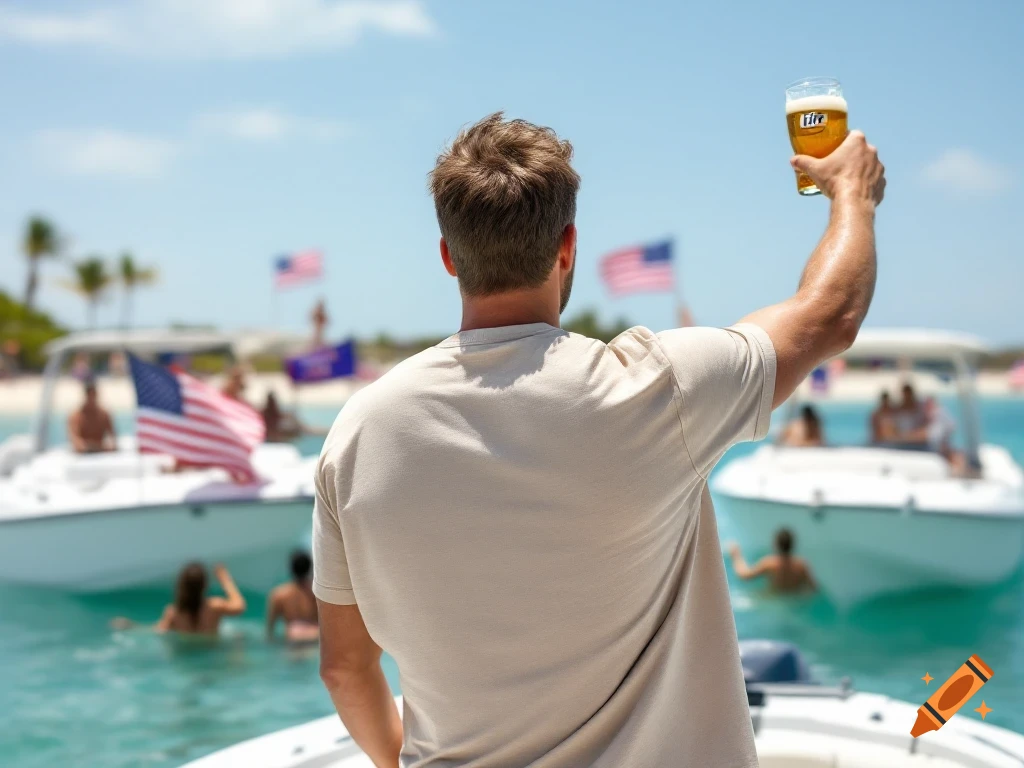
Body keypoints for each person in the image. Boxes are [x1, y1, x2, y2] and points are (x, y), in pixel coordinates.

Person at [313, 113, 884, 767]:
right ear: (567, 246)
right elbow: (829, 313)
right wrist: (852, 195)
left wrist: (396, 759)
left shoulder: (361, 432)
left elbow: (345, 668)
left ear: (448, 254)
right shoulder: (652, 389)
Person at [111, 562, 246, 636]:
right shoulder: (215, 606)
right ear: (205, 585)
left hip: (187, 655)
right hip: (212, 652)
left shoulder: (174, 612)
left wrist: (132, 626)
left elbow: (159, 630)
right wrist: (225, 579)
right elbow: (240, 606)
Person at [727, 530, 817, 594]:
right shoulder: (801, 565)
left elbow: (745, 576)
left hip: (773, 597)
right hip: (794, 599)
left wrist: (736, 555)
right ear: (792, 545)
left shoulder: (770, 564)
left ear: (776, 544)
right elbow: (813, 588)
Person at [267, 550, 320, 643]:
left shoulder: (279, 594)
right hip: (315, 635)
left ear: (291, 568)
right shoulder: (317, 592)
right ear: (309, 568)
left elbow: (271, 628)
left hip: (293, 637)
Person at [67, 380, 116, 453]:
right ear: (86, 396)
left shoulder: (104, 415)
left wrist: (108, 446)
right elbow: (75, 440)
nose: (92, 399)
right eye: (90, 396)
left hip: (101, 454)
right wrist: (90, 447)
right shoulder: (76, 416)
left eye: (94, 396)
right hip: (83, 455)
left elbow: (113, 438)